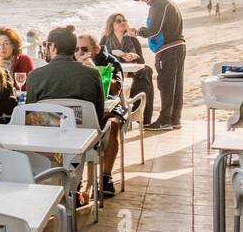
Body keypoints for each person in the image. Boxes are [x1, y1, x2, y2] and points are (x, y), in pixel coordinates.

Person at [24, 26, 109, 203]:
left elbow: (30, 117)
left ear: (52, 47)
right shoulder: (92, 74)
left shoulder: (35, 76)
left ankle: (50, 188)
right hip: (84, 141)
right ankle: (74, 187)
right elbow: (98, 113)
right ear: (73, 47)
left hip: (48, 143)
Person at [129, 0, 186, 130]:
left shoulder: (158, 4)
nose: (142, 1)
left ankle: (165, 120)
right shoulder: (167, 1)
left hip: (168, 48)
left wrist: (137, 32)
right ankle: (175, 119)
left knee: (166, 84)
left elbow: (154, 30)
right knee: (176, 85)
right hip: (178, 46)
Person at [76, 33, 125, 199]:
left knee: (113, 125)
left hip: (107, 109)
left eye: (84, 49)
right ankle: (75, 182)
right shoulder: (71, 62)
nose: (79, 52)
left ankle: (105, 177)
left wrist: (94, 71)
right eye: (76, 49)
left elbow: (117, 88)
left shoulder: (110, 61)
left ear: (96, 49)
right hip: (82, 109)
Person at [101, 11, 154, 123]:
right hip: (114, 70)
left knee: (147, 71)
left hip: (131, 69)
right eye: (119, 21)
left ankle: (141, 111)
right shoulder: (105, 39)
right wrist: (113, 55)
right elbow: (100, 59)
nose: (122, 22)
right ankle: (125, 109)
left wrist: (134, 56)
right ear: (112, 24)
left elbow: (141, 61)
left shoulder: (132, 38)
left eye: (124, 20)